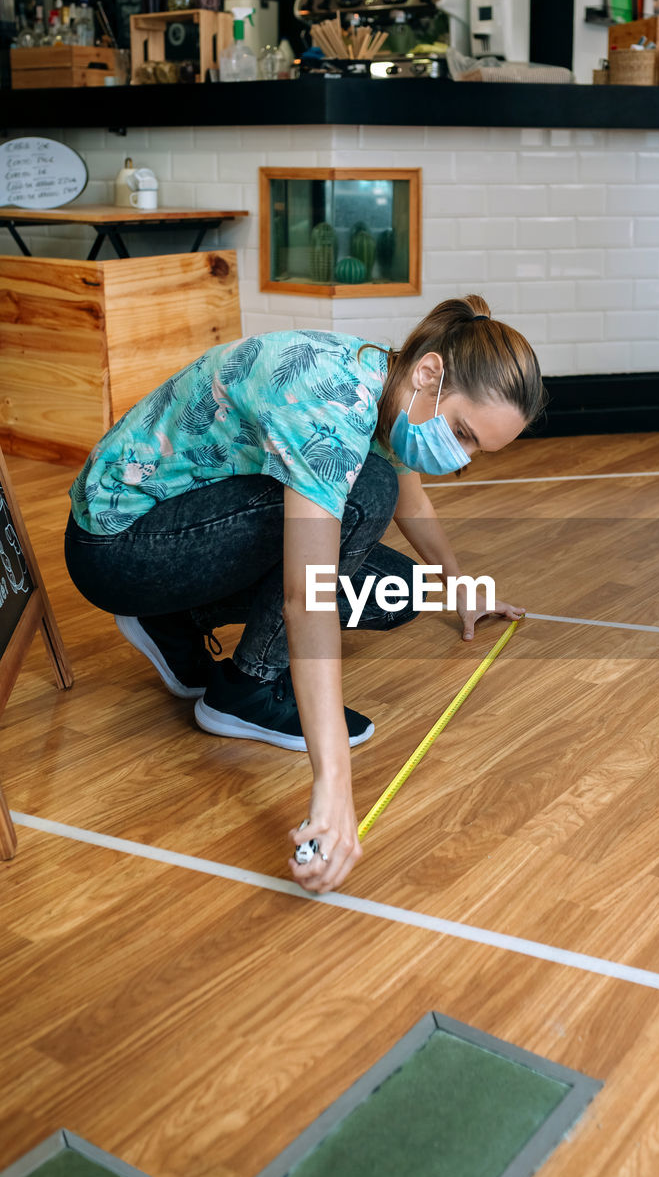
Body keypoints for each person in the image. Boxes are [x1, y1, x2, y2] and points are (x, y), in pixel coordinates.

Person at [64, 295, 545, 893]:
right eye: (464, 434)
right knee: (366, 492)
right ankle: (244, 690)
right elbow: (306, 595)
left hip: (181, 528)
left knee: (397, 590)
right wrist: (334, 787)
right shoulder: (330, 401)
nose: (461, 457)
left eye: (477, 452)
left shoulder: (387, 382)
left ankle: (176, 615)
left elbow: (412, 499)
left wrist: (461, 585)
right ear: (429, 374)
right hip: (121, 547)